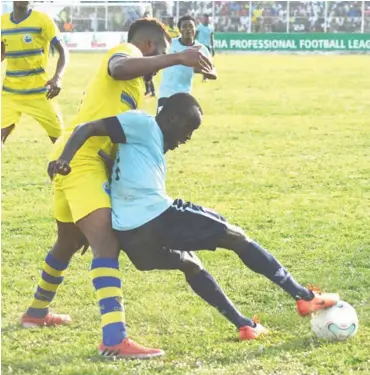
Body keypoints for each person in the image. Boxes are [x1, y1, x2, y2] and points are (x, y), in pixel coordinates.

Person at [50, 93, 340, 341]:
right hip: (158, 217)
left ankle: (245, 326)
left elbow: (123, 174)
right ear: (172, 118)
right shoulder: (142, 123)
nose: (187, 139)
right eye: (188, 129)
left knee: (190, 264)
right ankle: (304, 296)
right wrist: (64, 158)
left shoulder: (144, 147)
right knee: (236, 237)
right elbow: (87, 127)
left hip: (131, 238)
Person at [21, 18, 214, 359]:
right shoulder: (125, 52)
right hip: (80, 160)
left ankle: (36, 313)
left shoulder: (138, 89)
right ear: (150, 46)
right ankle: (114, 339)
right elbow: (119, 67)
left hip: (77, 161)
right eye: (164, 50)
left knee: (67, 242)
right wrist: (176, 59)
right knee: (106, 243)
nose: (162, 60)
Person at [1, 1, 68, 145]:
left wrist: (58, 77)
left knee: (61, 142)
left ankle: (74, 167)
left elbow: (64, 51)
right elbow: (2, 52)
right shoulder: (2, 22)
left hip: (40, 92)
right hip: (11, 92)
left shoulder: (42, 20)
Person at [157, 15, 217, 114]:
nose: (188, 29)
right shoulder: (170, 44)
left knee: (182, 127)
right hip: (166, 93)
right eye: (184, 26)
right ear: (180, 29)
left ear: (195, 29)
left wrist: (209, 73)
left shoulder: (201, 49)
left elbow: (212, 70)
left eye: (190, 26)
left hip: (184, 95)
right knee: (162, 126)